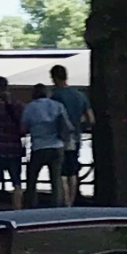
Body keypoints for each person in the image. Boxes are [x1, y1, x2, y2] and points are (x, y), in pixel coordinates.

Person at [18, 82, 74, 207]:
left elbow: (23, 128)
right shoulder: (58, 105)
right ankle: (56, 206)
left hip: (39, 146)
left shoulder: (30, 107)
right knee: (56, 179)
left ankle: (31, 204)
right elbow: (67, 125)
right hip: (57, 146)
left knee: (32, 177)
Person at [48, 62, 90, 204]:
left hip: (59, 138)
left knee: (61, 171)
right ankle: (72, 200)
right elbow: (91, 118)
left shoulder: (55, 96)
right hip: (76, 136)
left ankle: (65, 201)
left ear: (54, 78)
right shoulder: (80, 95)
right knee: (73, 171)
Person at [0, 76, 25, 204]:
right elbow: (23, 124)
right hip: (14, 148)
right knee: (17, 183)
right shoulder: (17, 104)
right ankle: (17, 210)